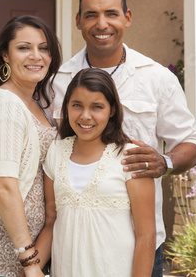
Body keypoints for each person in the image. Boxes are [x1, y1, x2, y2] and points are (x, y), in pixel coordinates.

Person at [46, 0, 196, 276]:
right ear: (78, 21)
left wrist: (165, 162)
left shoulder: (156, 78)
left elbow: (191, 142)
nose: (101, 23)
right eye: (91, 15)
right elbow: (43, 149)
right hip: (74, 243)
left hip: (142, 241)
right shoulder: (59, 80)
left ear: (127, 18)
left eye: (111, 14)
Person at [0, 15, 62, 277]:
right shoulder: (4, 103)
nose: (36, 56)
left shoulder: (37, 104)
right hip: (1, 255)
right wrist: (30, 262)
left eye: (43, 48)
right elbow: (4, 186)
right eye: (23, 48)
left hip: (29, 251)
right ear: (5, 56)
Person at [40, 68, 156, 276]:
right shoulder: (56, 153)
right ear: (66, 107)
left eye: (97, 107)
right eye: (77, 105)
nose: (85, 116)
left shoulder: (131, 157)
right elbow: (51, 222)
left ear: (111, 110)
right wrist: (29, 266)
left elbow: (146, 236)